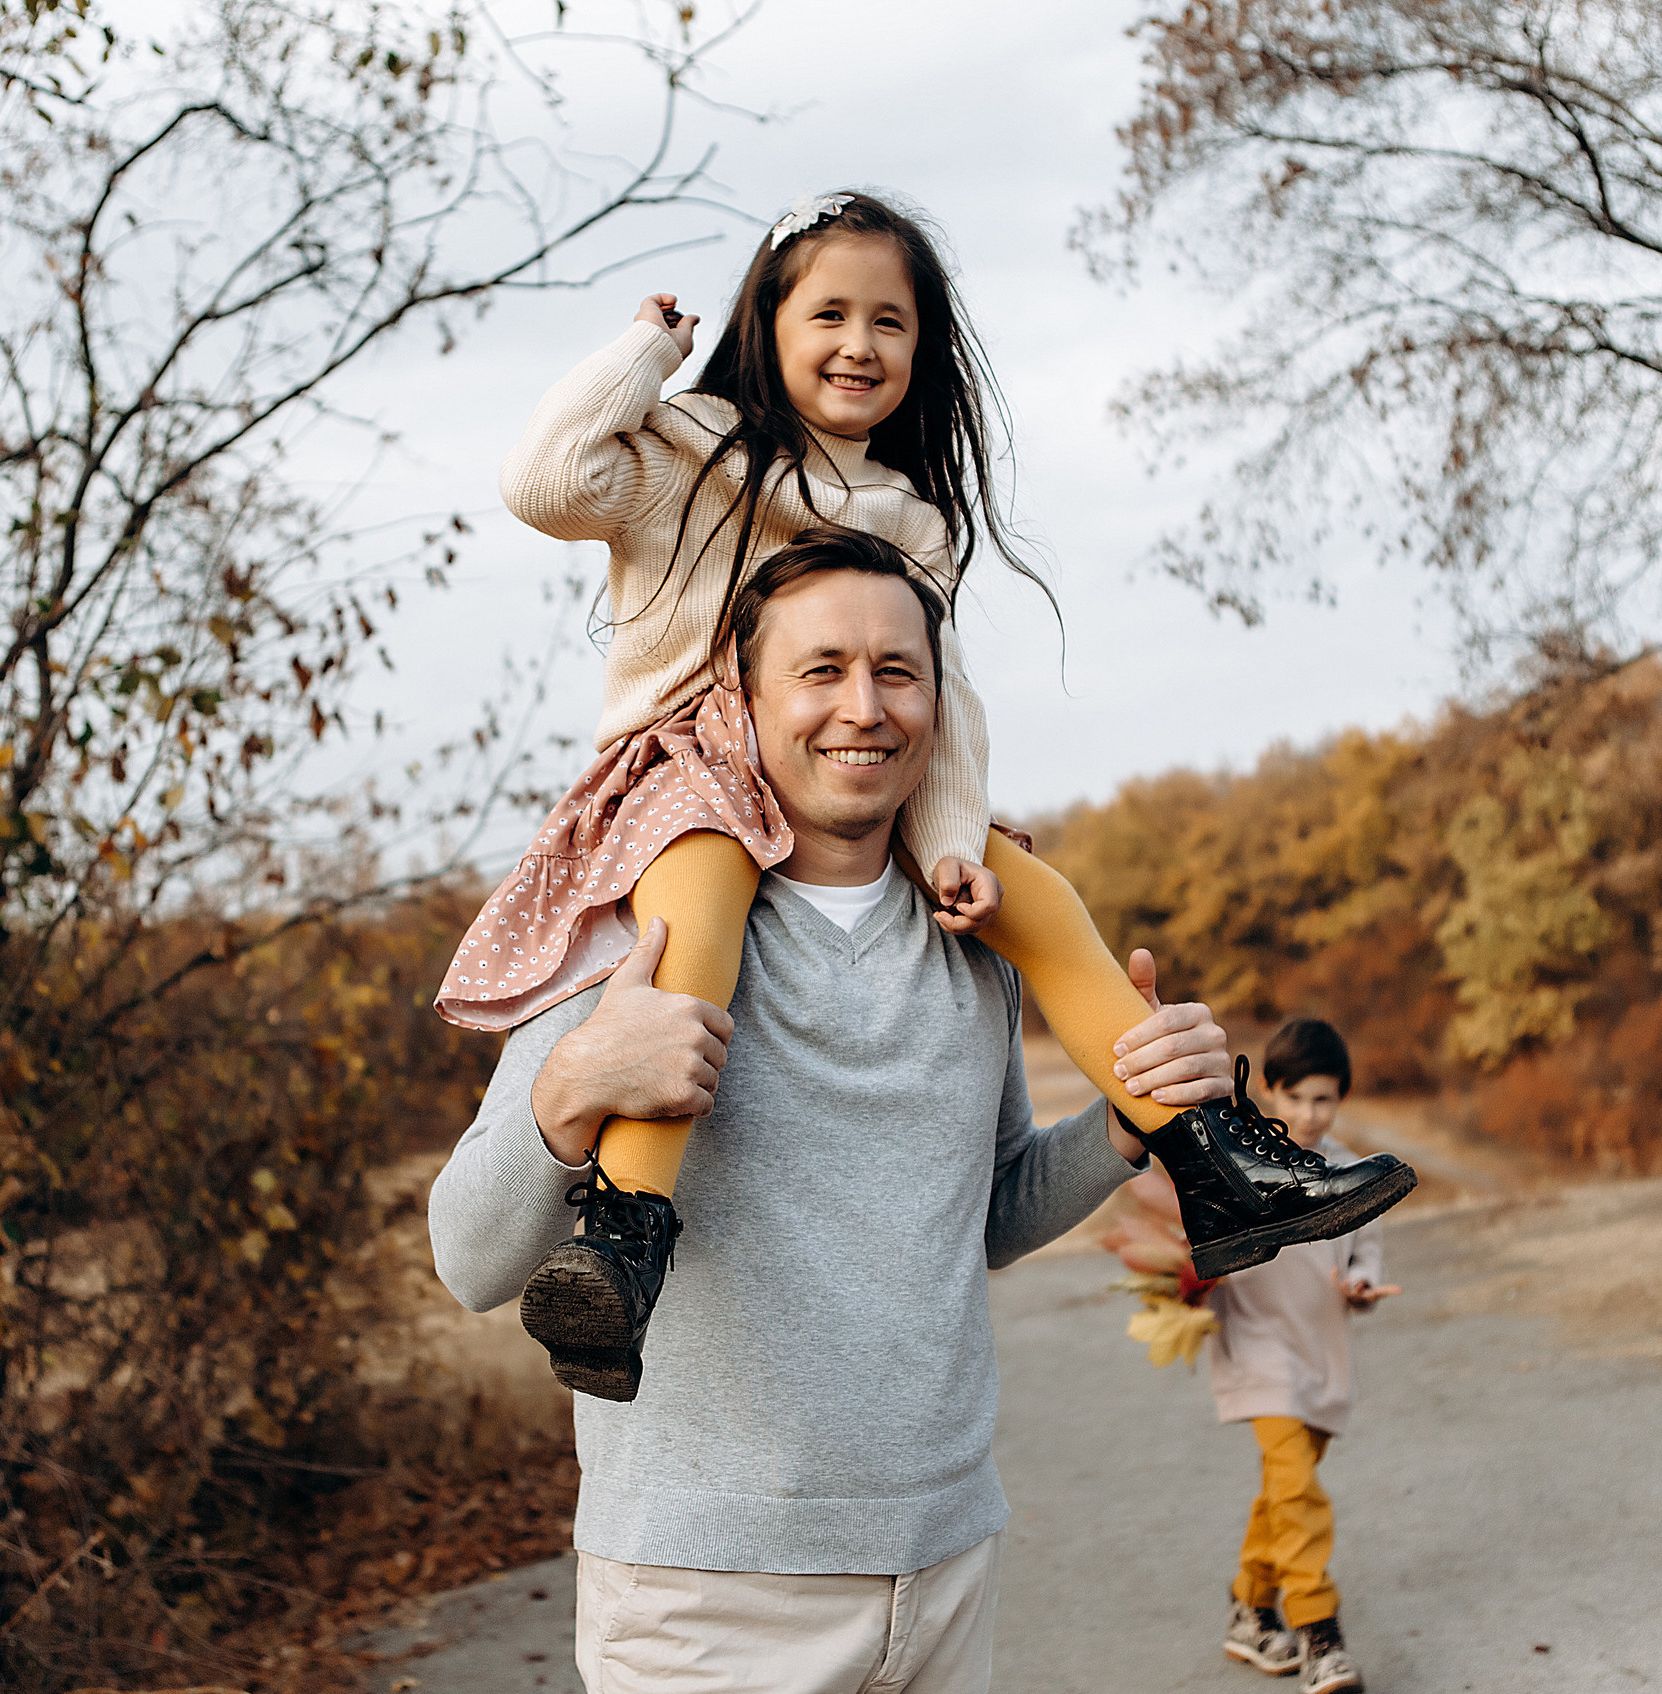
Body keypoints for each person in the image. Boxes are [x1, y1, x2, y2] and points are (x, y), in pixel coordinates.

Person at [436, 188, 1412, 1399]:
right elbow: (541, 481)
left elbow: (943, 704)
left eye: (889, 320)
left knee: (1035, 893)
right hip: (689, 772)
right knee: (689, 924)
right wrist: (644, 349)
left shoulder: (910, 521)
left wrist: (953, 847)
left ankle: (1205, 1153)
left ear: (922, 347)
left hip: (854, 789)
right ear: (767, 322)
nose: (859, 343)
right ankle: (626, 1234)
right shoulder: (686, 456)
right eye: (829, 313)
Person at [430, 540, 1242, 1694]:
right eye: (819, 671)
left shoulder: (978, 937)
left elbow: (990, 1215)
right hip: (702, 1596)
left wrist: (1126, 1127)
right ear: (743, 699)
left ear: (938, 700)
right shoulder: (642, 929)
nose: (862, 708)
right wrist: (572, 1086)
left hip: (945, 1568)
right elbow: (467, 1260)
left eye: (896, 672)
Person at [1208, 1020, 1402, 1694]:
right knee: (1298, 1494)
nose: (1311, 1114)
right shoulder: (1238, 1160)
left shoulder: (1351, 1168)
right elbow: (1195, 1242)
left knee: (1281, 1492)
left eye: (1325, 1100)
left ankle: (1250, 1607)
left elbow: (1365, 1248)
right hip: (1261, 1351)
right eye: (1298, 1097)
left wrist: (1362, 1283)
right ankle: (1320, 1631)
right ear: (1270, 1090)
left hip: (1322, 1353)